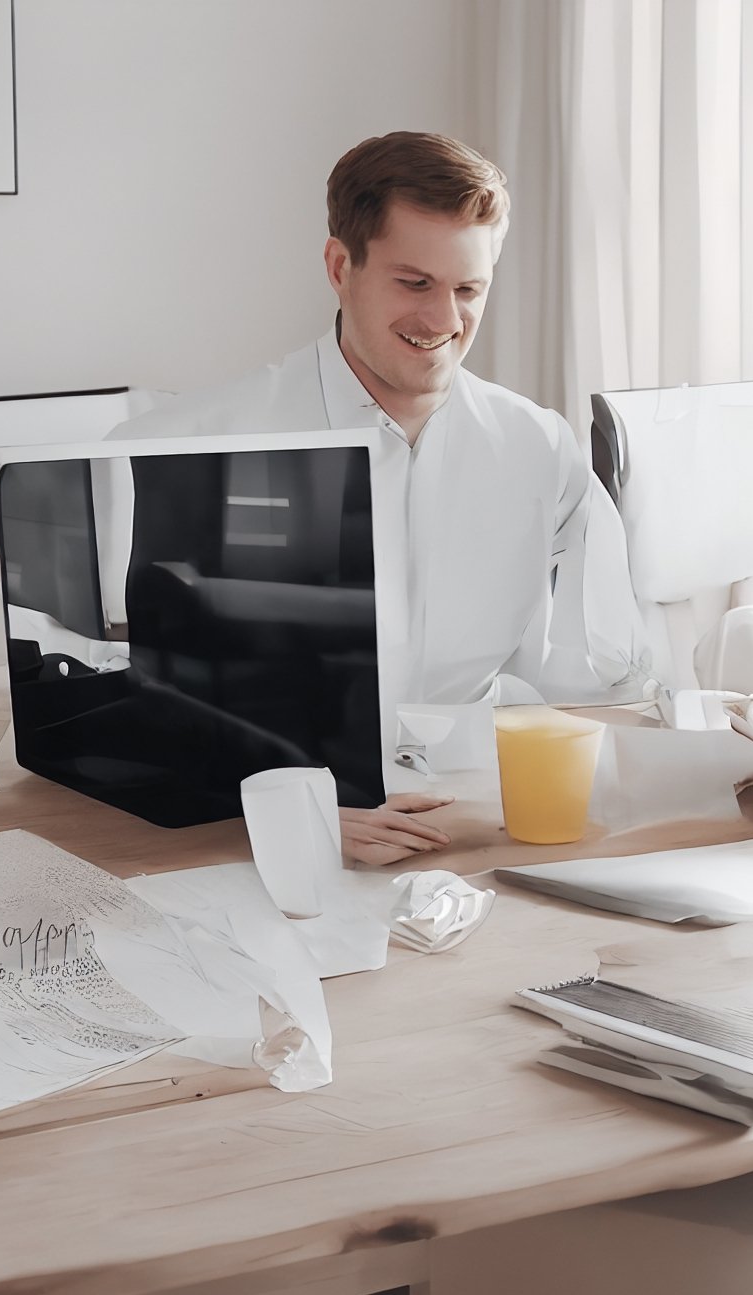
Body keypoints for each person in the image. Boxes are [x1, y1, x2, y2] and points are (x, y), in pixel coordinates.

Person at [111, 131, 649, 864]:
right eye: (414, 283)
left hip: (470, 829)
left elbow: (592, 678)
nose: (444, 321)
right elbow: (125, 698)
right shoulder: (190, 445)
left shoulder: (539, 448)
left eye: (468, 289)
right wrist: (280, 807)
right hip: (240, 839)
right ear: (341, 266)